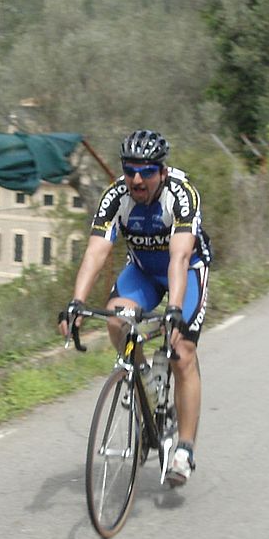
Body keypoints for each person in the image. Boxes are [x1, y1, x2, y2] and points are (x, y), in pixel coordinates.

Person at [58, 129, 211, 486]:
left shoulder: (181, 195)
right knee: (116, 320)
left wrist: (174, 309)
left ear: (162, 171)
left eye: (146, 172)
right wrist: (76, 302)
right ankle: (144, 381)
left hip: (185, 270)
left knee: (182, 352)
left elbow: (180, 256)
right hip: (143, 271)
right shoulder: (116, 197)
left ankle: (185, 448)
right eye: (130, 171)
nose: (137, 180)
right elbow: (96, 251)